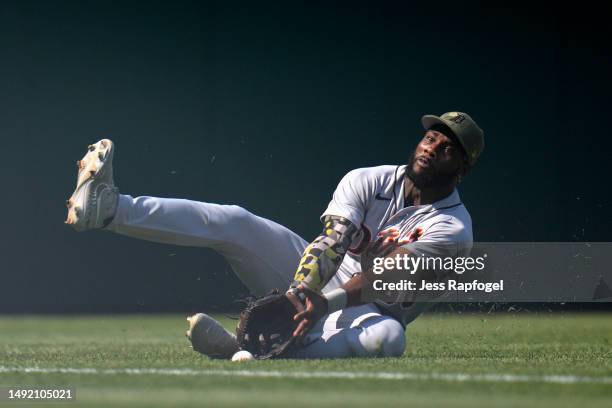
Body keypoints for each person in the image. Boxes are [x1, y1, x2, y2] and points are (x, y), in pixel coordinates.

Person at [65, 111, 484, 359]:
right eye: (430, 137)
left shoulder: (453, 229)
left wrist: (322, 303)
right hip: (322, 279)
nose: (431, 147)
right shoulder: (368, 179)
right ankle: (109, 209)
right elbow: (331, 242)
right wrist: (298, 294)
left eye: (447, 147)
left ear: (462, 169)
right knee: (235, 222)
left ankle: (247, 348)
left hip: (370, 307)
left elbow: (380, 280)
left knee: (390, 340)